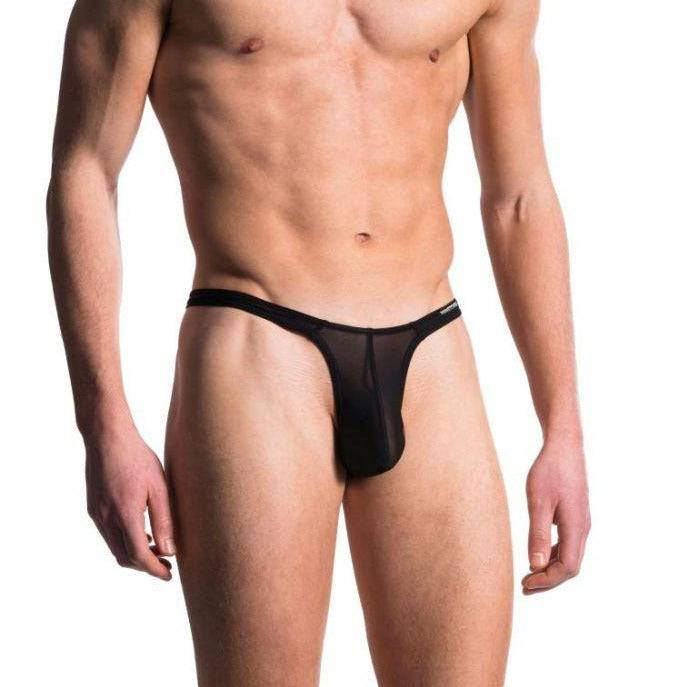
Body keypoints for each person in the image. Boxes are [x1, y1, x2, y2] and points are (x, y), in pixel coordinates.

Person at [47, 0, 591, 684]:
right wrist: (104, 425)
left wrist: (562, 430)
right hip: (257, 344)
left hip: (431, 350)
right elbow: (85, 171)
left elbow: (518, 196)